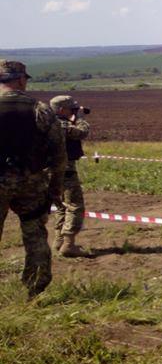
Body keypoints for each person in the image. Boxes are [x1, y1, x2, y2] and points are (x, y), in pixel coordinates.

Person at [0, 60, 66, 297]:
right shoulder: (41, 109)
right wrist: (55, 188)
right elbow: (59, 154)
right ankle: (35, 290)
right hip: (31, 182)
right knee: (35, 234)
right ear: (19, 80)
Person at [49, 95, 90, 257]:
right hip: (65, 171)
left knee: (61, 206)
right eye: (70, 108)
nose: (73, 110)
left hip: (50, 172)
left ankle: (58, 241)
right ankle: (68, 244)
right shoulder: (60, 125)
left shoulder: (46, 123)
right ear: (60, 110)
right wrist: (80, 118)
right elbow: (82, 132)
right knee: (74, 206)